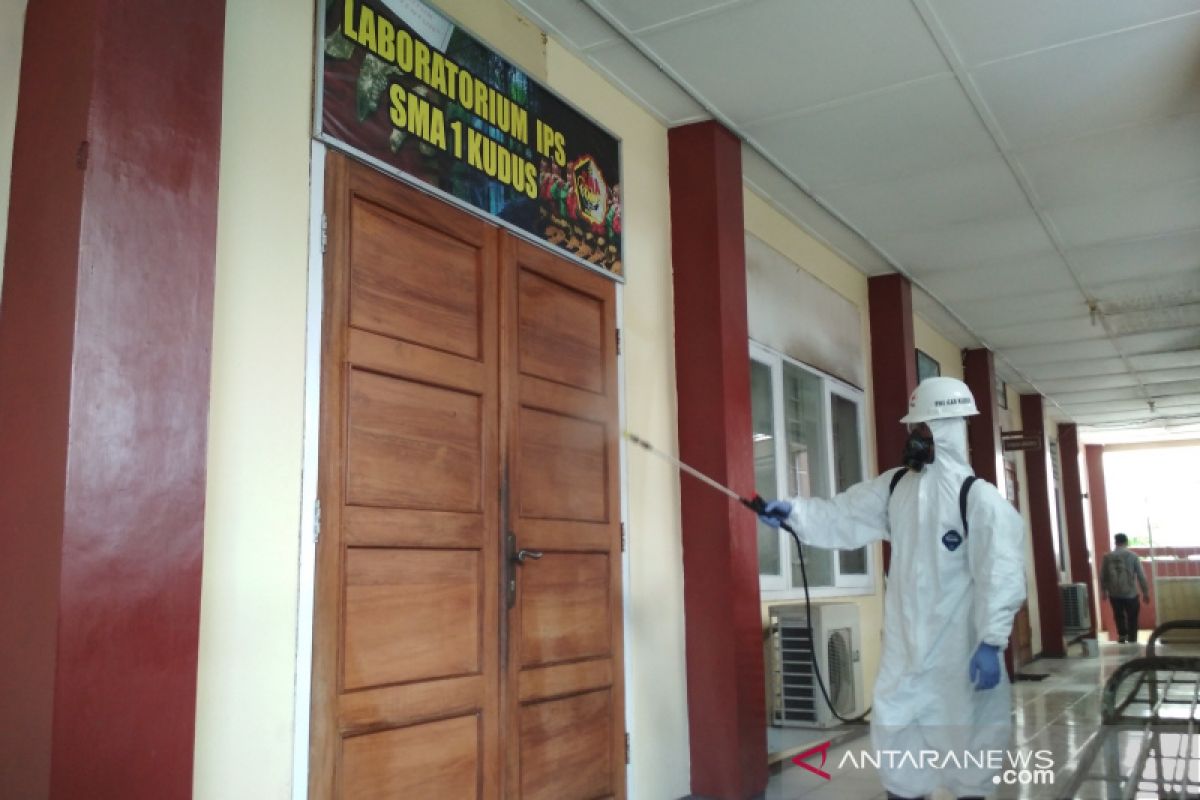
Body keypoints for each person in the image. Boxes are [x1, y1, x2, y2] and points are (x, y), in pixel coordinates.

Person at [759, 377, 1026, 800]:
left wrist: (992, 641)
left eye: (922, 431)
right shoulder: (896, 487)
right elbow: (842, 516)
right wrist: (794, 514)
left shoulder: (978, 499)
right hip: (905, 655)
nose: (914, 439)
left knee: (969, 753)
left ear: (947, 429)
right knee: (898, 747)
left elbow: (1003, 572)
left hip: (958, 656)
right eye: (913, 430)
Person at [1100, 533, 1150, 644]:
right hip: (1131, 593)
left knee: (1118, 615)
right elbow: (1141, 576)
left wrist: (1104, 591)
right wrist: (1145, 592)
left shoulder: (1107, 557)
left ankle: (1122, 635)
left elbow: (1103, 575)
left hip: (1114, 593)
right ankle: (1132, 639)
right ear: (1126, 542)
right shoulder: (1133, 556)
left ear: (1115, 542)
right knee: (1132, 617)